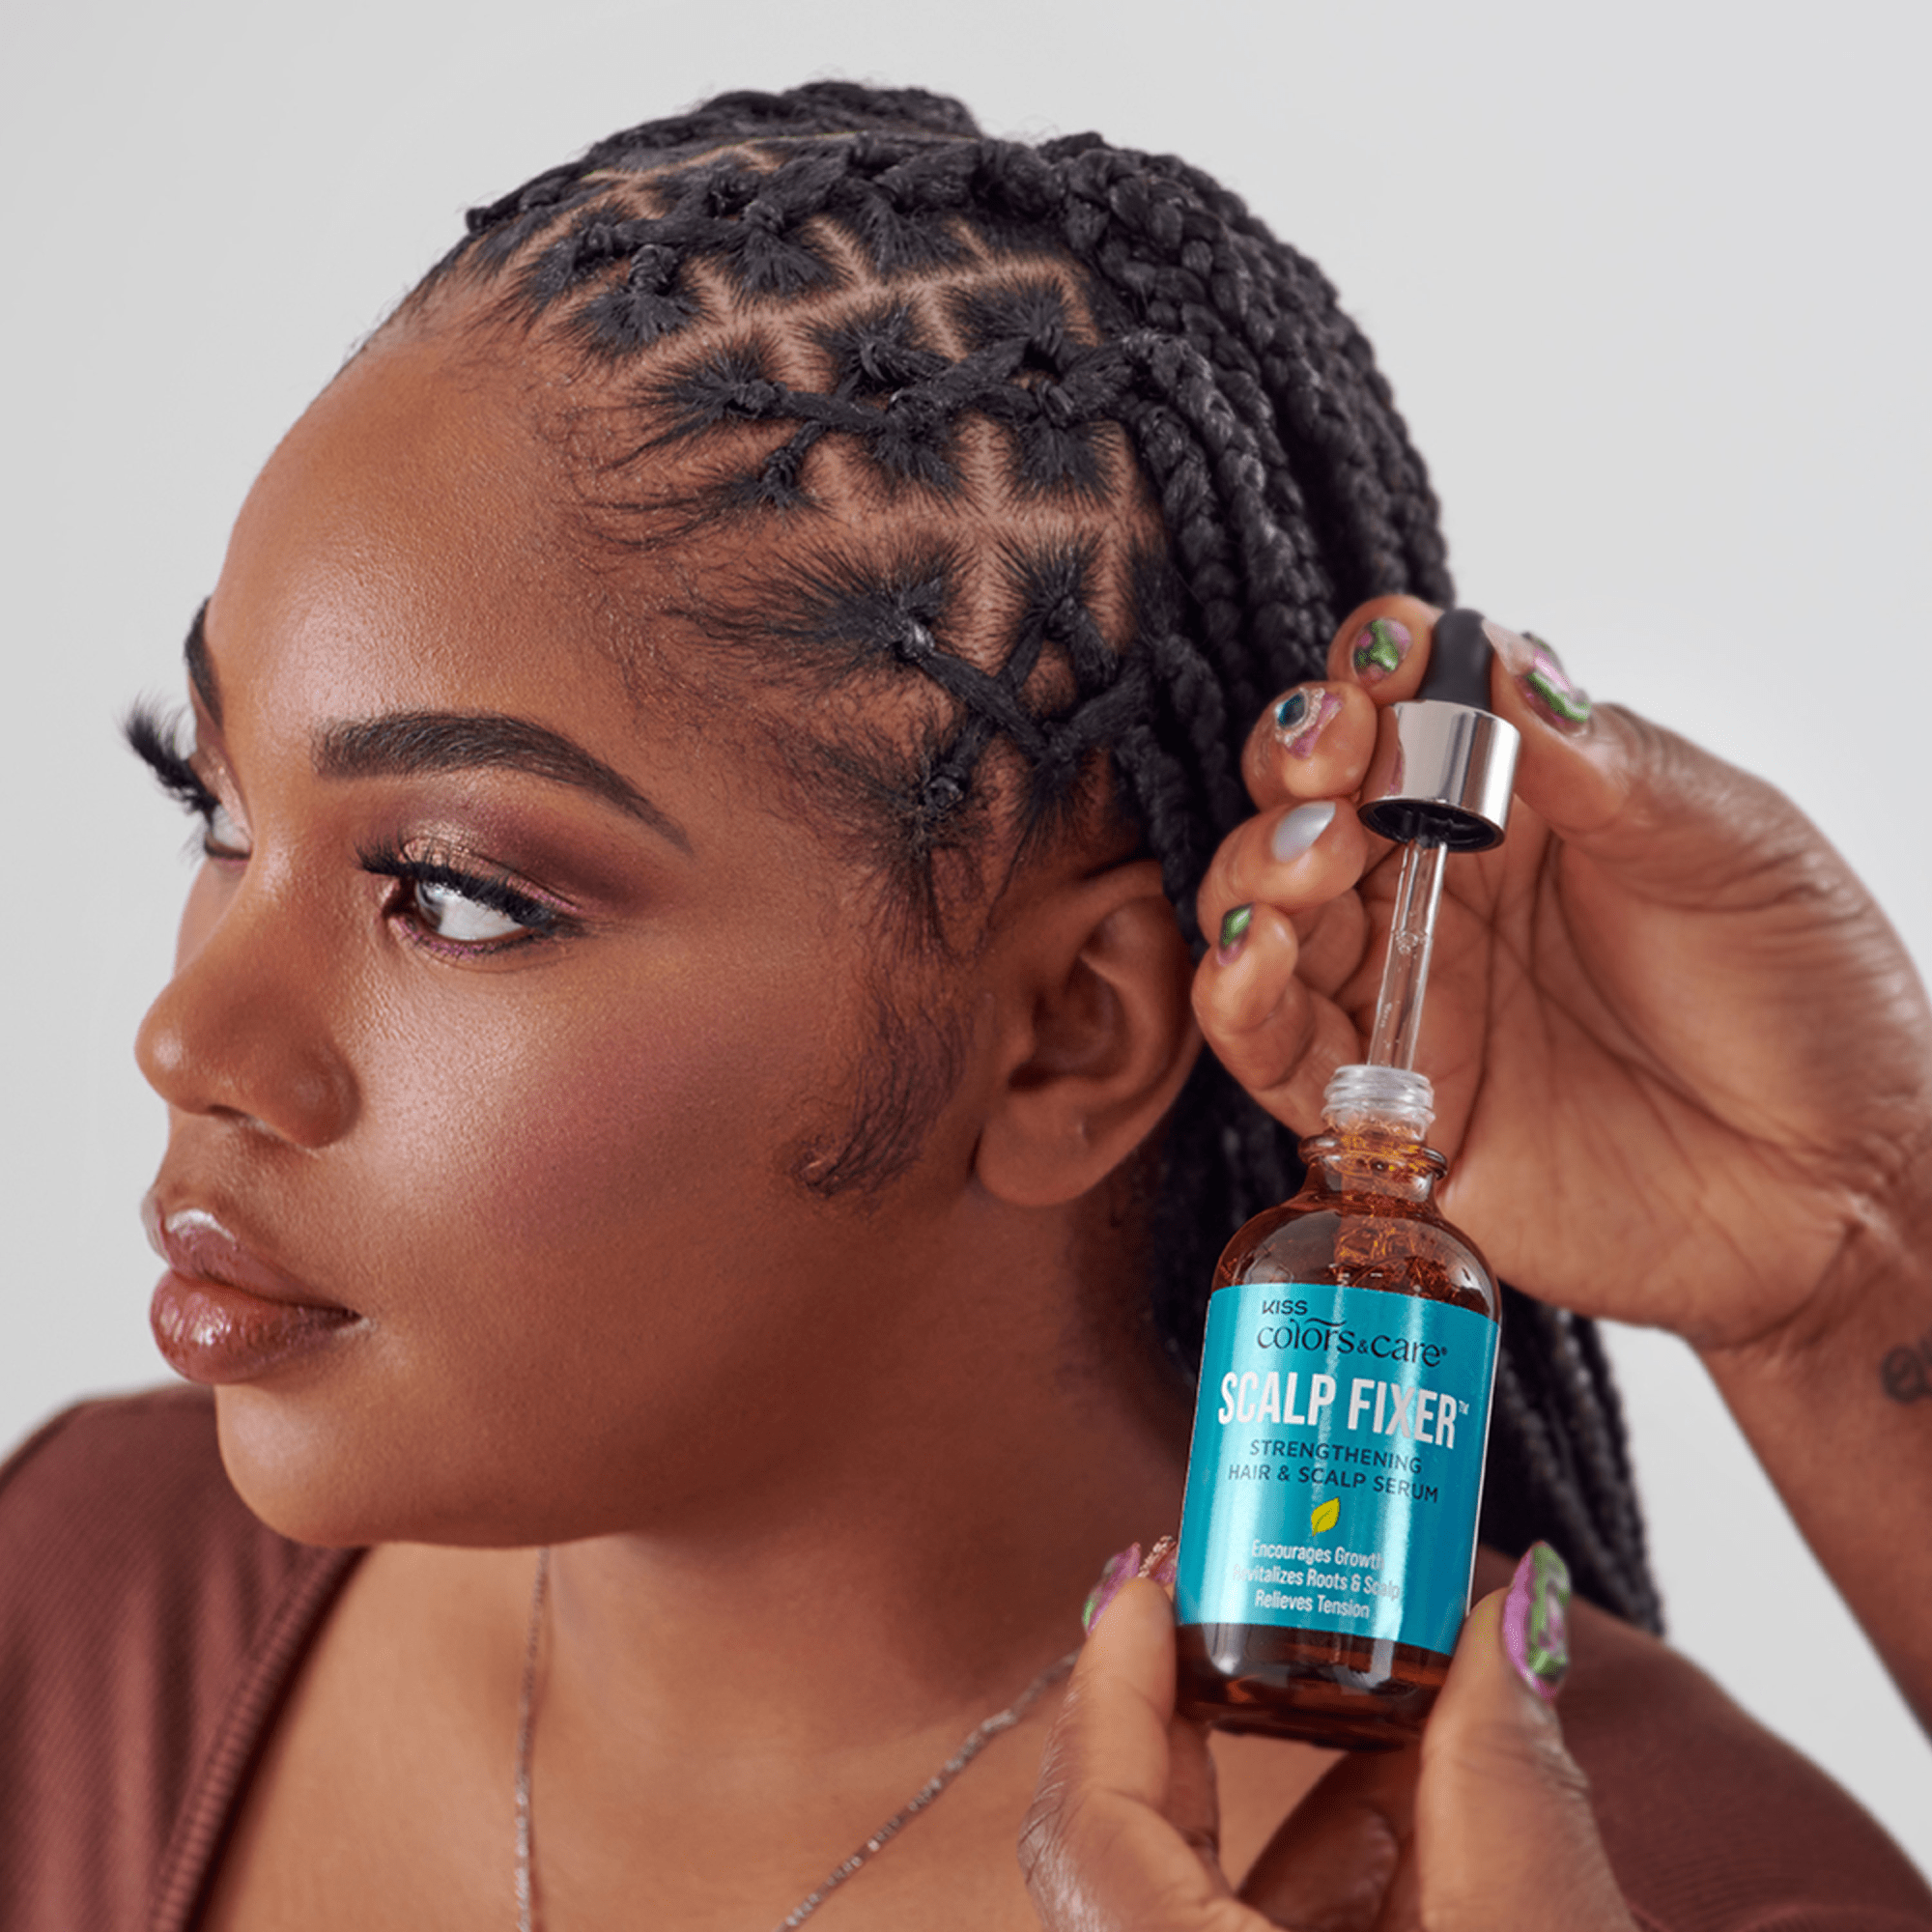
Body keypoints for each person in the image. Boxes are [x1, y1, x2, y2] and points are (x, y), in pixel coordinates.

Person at [2, 80, 1927, 1932]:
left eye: (455, 895)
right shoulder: (80, 1598)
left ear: (1063, 1036)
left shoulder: (1652, 1893)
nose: (193, 1040)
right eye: (218, 806)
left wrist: (1865, 1255)